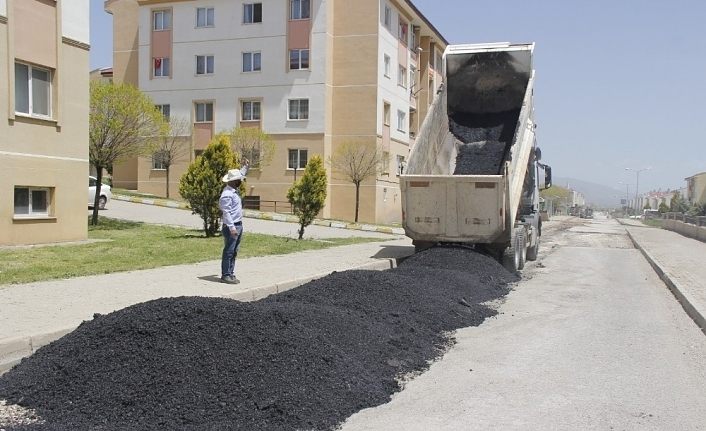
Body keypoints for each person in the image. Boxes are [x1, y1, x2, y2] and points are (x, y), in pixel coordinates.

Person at [219, 159, 249, 284]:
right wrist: (232, 228)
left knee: (234, 251)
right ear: (233, 181)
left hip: (238, 225)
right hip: (232, 226)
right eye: (239, 180)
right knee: (229, 251)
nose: (241, 181)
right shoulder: (227, 195)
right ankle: (226, 275)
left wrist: (246, 167)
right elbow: (226, 213)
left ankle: (230, 273)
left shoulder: (233, 189)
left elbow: (241, 174)